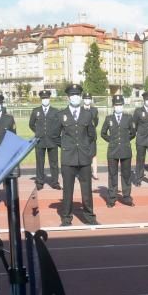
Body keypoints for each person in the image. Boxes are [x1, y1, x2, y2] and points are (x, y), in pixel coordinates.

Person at [53, 83, 98, 226]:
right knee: (68, 190)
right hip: (68, 158)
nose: (75, 97)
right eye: (72, 95)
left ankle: (89, 217)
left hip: (84, 157)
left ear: (81, 97)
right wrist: (66, 146)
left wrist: (87, 150)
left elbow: (92, 135)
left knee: (87, 190)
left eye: (77, 95)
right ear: (68, 97)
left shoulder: (88, 114)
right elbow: (55, 136)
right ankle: (66, 218)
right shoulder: (61, 115)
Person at [100, 94, 135, 207]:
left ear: (123, 106)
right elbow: (103, 133)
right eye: (116, 105)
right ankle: (112, 198)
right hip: (113, 151)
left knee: (126, 174)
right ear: (113, 106)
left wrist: (125, 140)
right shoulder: (108, 118)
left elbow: (133, 133)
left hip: (125, 150)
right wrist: (111, 140)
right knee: (112, 175)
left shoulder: (128, 118)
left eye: (120, 105)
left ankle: (127, 197)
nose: (118, 107)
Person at [30, 89, 61, 190]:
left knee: (54, 163)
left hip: (52, 141)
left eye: (46, 98)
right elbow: (31, 124)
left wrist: (55, 134)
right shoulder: (36, 111)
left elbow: (59, 125)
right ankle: (39, 181)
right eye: (43, 98)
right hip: (40, 141)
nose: (45, 100)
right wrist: (38, 132)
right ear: (41, 99)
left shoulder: (55, 111)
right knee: (40, 162)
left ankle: (55, 182)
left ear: (49, 99)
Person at [83, 92, 100, 183]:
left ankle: (95, 173)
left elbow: (96, 123)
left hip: (92, 135)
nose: (87, 100)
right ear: (83, 100)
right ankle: (84, 173)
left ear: (91, 100)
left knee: (93, 154)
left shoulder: (94, 110)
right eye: (85, 99)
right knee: (83, 155)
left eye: (89, 99)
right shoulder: (80, 109)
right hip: (82, 135)